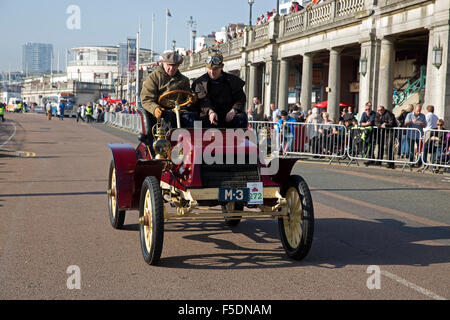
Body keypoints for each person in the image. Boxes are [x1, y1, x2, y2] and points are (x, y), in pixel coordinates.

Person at [191, 51, 247, 129]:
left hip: (228, 114)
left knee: (241, 118)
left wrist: (234, 110)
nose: (212, 72)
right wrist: (210, 112)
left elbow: (240, 99)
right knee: (195, 118)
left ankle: (239, 140)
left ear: (222, 66)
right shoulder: (199, 82)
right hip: (207, 115)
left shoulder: (232, 80)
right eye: (209, 69)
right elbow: (202, 100)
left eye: (215, 69)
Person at [141, 51, 196, 129]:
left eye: (174, 66)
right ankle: (167, 140)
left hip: (180, 111)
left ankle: (193, 139)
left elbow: (187, 100)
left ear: (178, 66)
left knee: (192, 117)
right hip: (162, 111)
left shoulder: (184, 80)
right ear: (163, 63)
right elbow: (146, 99)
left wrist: (191, 100)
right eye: (169, 65)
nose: (171, 68)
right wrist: (155, 108)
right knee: (168, 117)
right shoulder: (153, 78)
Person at [405, 104, 426, 168]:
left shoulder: (422, 116)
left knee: (420, 150)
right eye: (417, 111)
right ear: (414, 110)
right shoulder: (409, 115)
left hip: (419, 135)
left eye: (419, 110)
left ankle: (419, 162)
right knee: (411, 149)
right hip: (411, 135)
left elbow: (425, 125)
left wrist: (419, 122)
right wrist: (411, 122)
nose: (418, 112)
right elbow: (405, 123)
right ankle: (411, 162)